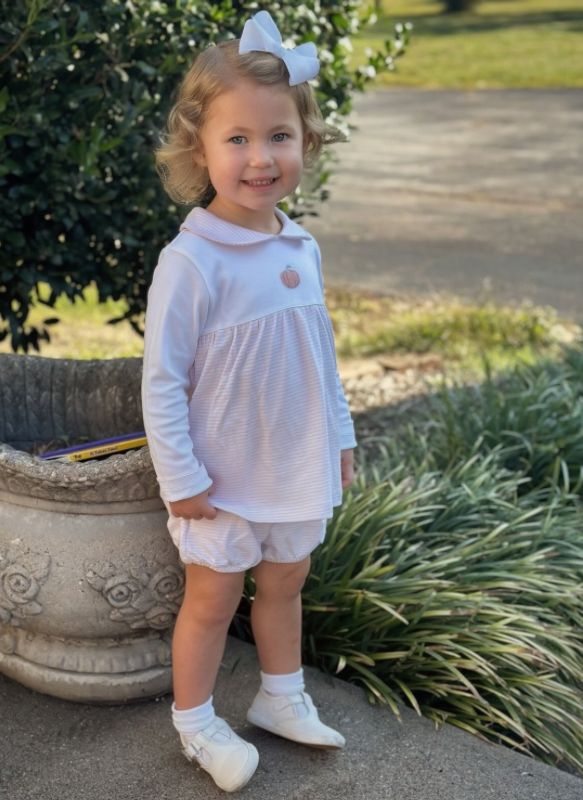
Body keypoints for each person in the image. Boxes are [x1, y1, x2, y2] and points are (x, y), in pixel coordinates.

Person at [142, 10, 356, 793]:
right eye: (237, 139)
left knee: (286, 583)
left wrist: (339, 433)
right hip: (222, 480)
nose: (260, 157)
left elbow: (319, 357)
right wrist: (182, 479)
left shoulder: (301, 246)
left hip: (293, 463)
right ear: (199, 147)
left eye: (279, 137)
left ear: (307, 143)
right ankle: (196, 722)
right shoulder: (193, 261)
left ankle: (280, 696)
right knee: (212, 597)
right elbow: (162, 379)